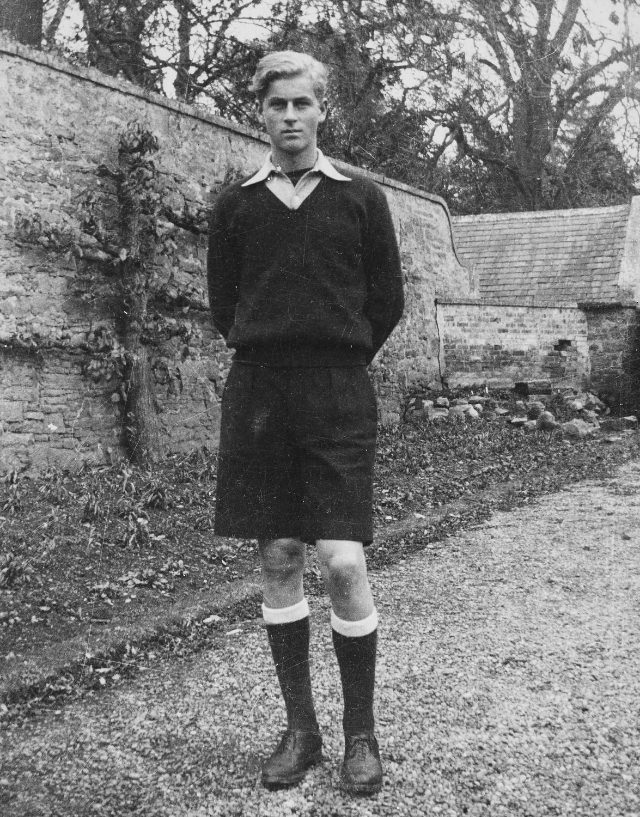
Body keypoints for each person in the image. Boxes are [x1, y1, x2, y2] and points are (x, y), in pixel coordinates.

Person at [207, 50, 404, 795]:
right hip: (260, 393)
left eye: (302, 104)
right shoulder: (237, 205)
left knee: (345, 561)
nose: (290, 117)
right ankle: (302, 731)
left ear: (323, 110)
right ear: (259, 113)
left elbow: (386, 302)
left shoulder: (362, 198)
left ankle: (362, 735)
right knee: (280, 553)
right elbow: (224, 303)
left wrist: (334, 355)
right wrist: (274, 349)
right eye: (276, 106)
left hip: (337, 392)